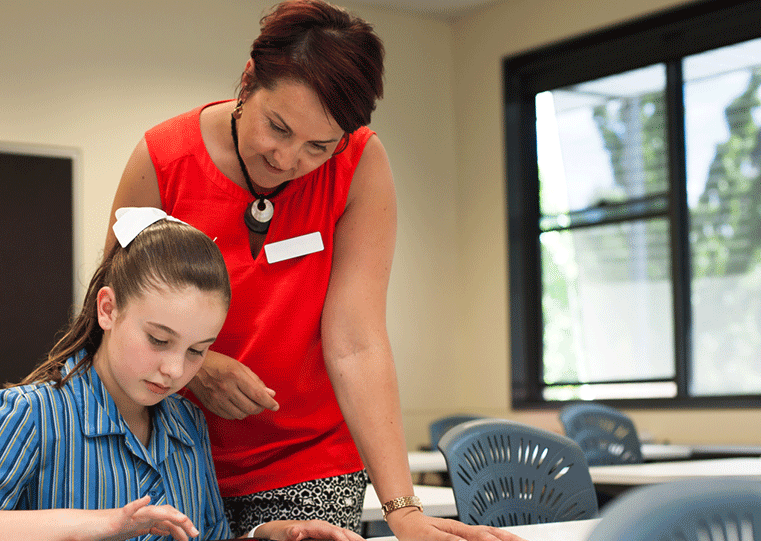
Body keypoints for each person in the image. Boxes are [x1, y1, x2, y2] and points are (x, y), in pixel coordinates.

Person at [105, 3, 525, 541]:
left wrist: (403, 510)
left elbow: (357, 341)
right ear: (248, 80)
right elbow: (113, 313)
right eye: (277, 127)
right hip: (170, 448)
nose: (286, 159)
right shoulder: (163, 159)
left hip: (308, 459)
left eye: (318, 147)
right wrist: (199, 365)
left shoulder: (360, 166)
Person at [0, 208, 364, 541]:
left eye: (199, 350)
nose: (175, 370)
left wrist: (269, 535)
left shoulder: (185, 424)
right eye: (158, 340)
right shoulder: (34, 414)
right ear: (108, 309)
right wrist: (106, 524)